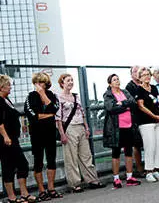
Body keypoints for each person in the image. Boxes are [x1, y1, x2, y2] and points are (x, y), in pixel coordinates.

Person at [56, 74, 105, 193]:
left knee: (86, 155)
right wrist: (62, 133)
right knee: (71, 157)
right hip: (69, 128)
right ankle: (75, 183)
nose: (71, 82)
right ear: (62, 83)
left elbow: (82, 113)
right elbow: (58, 118)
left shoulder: (76, 96)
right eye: (68, 80)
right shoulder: (58, 97)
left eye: (72, 80)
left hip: (80, 127)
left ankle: (92, 180)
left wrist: (87, 127)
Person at [24, 72, 62, 201]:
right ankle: (41, 190)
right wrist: (48, 115)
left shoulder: (52, 95)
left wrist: (43, 94)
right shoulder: (30, 96)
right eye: (37, 83)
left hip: (50, 132)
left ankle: (51, 188)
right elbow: (32, 115)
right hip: (36, 134)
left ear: (46, 84)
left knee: (51, 160)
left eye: (41, 82)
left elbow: (55, 109)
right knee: (38, 162)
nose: (39, 85)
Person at [0, 74, 38, 203]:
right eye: (8, 85)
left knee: (21, 165)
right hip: (5, 140)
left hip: (13, 138)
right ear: (1, 87)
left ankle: (23, 193)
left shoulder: (6, 100)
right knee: (9, 167)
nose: (10, 87)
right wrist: (5, 136)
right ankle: (11, 197)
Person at [103, 74, 141, 188]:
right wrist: (126, 106)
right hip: (116, 128)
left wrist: (123, 103)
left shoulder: (125, 92)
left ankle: (129, 177)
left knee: (128, 151)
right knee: (116, 153)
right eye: (114, 80)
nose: (117, 81)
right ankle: (116, 179)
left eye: (118, 79)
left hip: (129, 126)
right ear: (110, 83)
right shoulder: (108, 95)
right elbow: (111, 108)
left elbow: (133, 103)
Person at [135, 68, 159, 182]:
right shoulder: (139, 89)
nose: (147, 77)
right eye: (144, 75)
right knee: (150, 146)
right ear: (140, 77)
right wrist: (154, 115)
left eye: (148, 74)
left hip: (158, 120)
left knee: (158, 145)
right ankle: (149, 171)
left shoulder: (154, 88)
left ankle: (157, 170)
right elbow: (141, 106)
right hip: (146, 122)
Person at [125, 66, 145, 178]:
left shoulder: (144, 85)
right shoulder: (129, 86)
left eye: (139, 71)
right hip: (135, 118)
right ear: (131, 74)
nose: (137, 73)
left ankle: (149, 167)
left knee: (147, 143)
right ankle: (139, 168)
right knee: (137, 144)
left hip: (146, 117)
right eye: (135, 71)